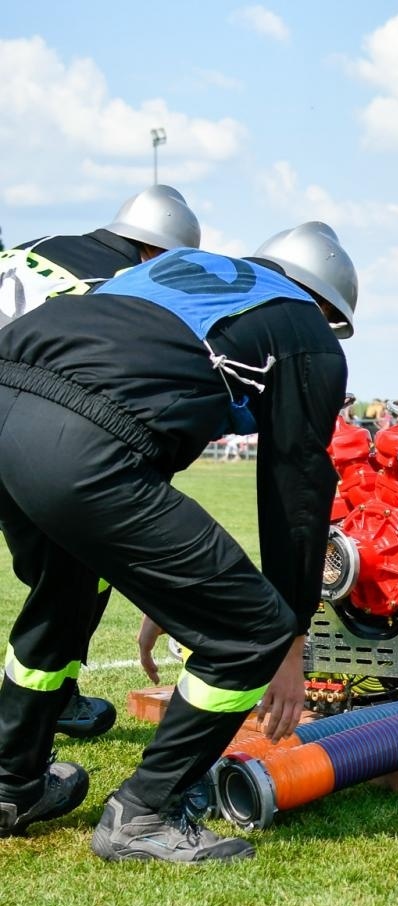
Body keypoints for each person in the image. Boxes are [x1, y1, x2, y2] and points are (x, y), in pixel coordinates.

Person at [0, 222, 357, 861]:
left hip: (8, 399)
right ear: (326, 306)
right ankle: (145, 814)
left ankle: (10, 782)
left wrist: (160, 592)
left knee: (67, 591)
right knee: (252, 628)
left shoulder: (181, 270)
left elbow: (132, 383)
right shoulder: (305, 329)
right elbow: (295, 489)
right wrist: (291, 638)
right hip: (82, 441)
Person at [0, 184, 203, 743]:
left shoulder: (35, 245)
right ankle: (32, 725)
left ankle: (53, 698)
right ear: (157, 255)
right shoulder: (125, 287)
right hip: (21, 418)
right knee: (69, 579)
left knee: (63, 572)